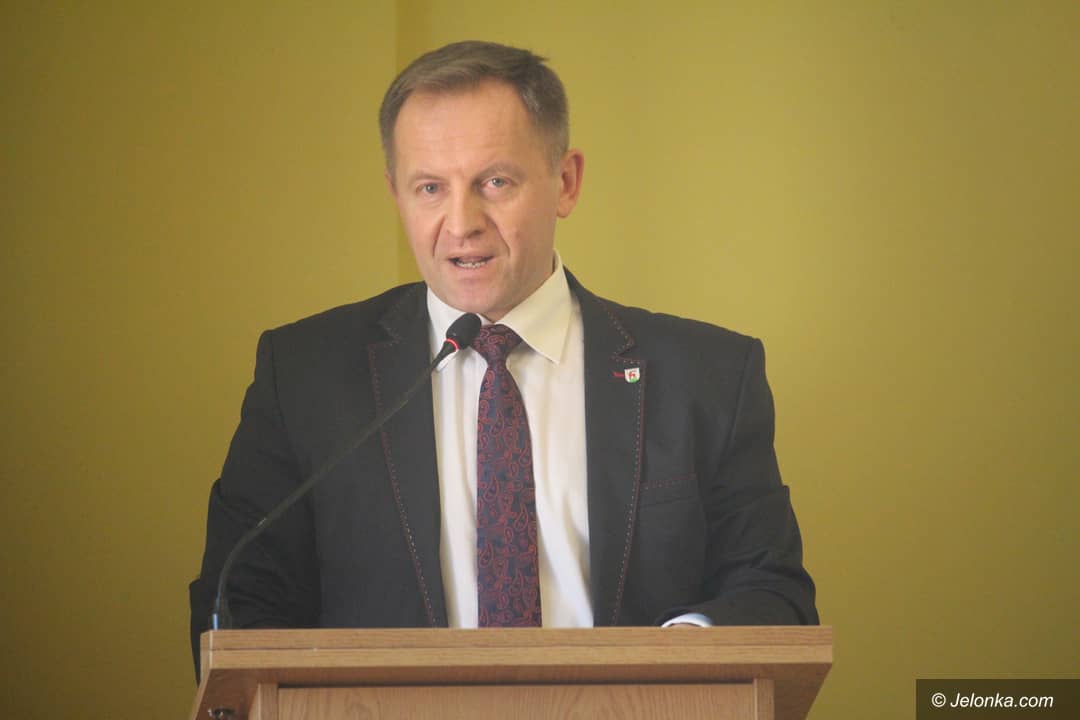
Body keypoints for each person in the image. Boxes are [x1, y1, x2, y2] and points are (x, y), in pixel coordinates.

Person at [190, 40, 817, 677]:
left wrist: (675, 663)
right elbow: (237, 603)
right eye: (430, 187)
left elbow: (773, 593)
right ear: (396, 194)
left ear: (565, 183)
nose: (462, 222)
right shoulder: (305, 376)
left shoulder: (710, 377)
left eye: (495, 182)